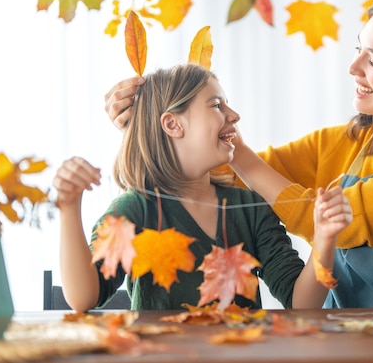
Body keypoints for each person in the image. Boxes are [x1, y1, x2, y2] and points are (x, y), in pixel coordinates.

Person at [104, 0, 373, 308]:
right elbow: (225, 174)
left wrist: (236, 151)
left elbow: (341, 227)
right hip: (363, 336)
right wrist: (153, 131)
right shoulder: (353, 140)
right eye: (358, 49)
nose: (354, 68)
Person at [53, 63, 352, 312]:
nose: (234, 116)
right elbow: (83, 298)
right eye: (217, 105)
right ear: (172, 125)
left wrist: (323, 240)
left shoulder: (250, 209)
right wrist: (69, 206)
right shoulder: (134, 211)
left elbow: (303, 304)